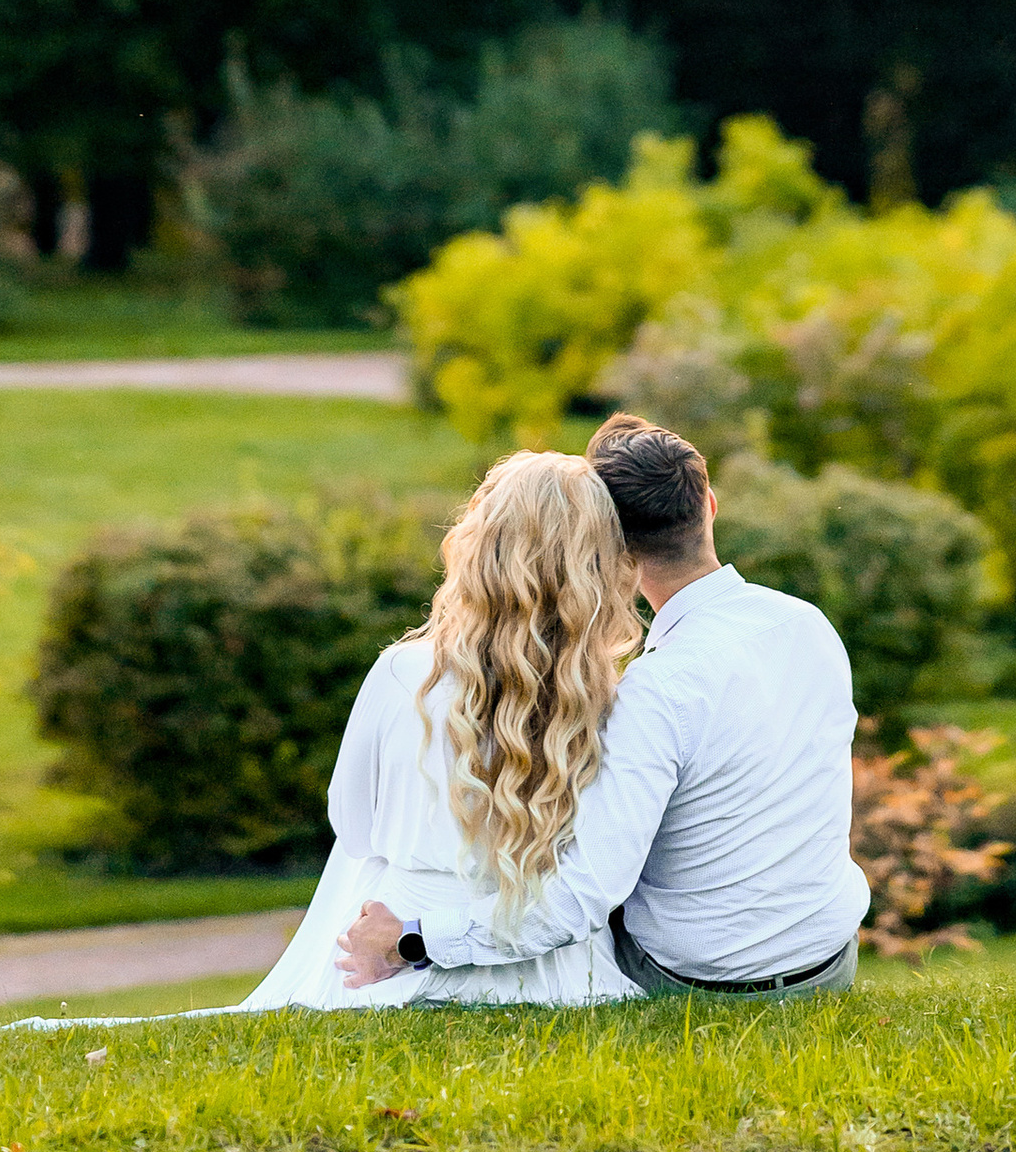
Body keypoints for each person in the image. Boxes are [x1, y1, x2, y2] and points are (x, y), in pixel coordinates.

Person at [337, 412, 867, 1002]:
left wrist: (410, 938)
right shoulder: (807, 625)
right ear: (710, 505)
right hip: (829, 960)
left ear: (609, 547)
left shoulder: (657, 689)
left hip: (709, 983)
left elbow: (580, 899)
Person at [238, 444, 649, 1010]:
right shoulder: (612, 699)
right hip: (556, 963)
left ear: (478, 548)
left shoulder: (403, 673)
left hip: (399, 940)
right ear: (600, 568)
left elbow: (352, 829)